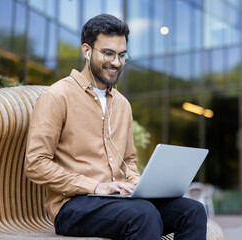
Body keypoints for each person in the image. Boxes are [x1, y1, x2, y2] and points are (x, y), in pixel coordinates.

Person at [25, 13, 207, 239]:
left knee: (192, 211)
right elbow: (36, 163)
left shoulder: (122, 104)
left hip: (120, 202)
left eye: (122, 55)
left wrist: (138, 184)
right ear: (87, 50)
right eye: (108, 53)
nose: (116, 63)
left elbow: (129, 160)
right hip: (72, 206)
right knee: (143, 214)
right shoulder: (57, 96)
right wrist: (93, 186)